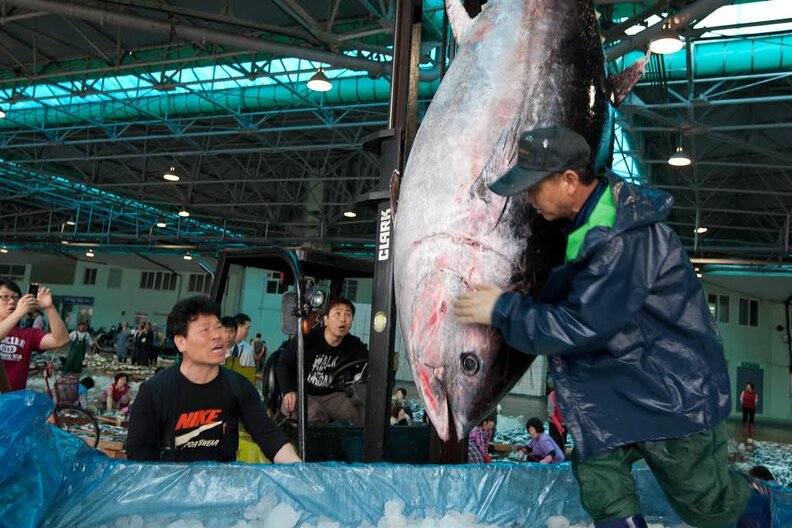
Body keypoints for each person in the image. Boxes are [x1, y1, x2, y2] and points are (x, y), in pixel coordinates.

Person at [452, 127, 765, 528]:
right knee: (603, 487)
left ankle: (760, 509)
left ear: (569, 181)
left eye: (534, 187)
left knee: (706, 502)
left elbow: (582, 323)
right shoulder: (579, 227)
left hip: (668, 394)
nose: (528, 198)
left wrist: (502, 309)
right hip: (609, 396)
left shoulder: (623, 237)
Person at [126, 295, 301, 463]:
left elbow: (268, 434)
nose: (218, 335)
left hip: (220, 489)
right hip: (170, 490)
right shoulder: (154, 392)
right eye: (205, 330)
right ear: (181, 342)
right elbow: (139, 459)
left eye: (218, 327)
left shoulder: (239, 387)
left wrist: (299, 469)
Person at [276, 297, 368, 426]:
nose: (343, 319)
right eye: (337, 313)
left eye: (348, 314)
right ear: (325, 319)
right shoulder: (307, 339)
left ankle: (358, 446)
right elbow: (283, 364)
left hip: (331, 396)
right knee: (316, 414)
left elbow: (368, 366)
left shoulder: (354, 345)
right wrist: (288, 391)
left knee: (357, 413)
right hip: (301, 393)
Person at [0, 281, 70, 392]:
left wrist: (49, 308)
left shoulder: (28, 334)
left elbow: (61, 340)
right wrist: (17, 314)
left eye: (16, 297)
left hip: (13, 404)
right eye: (5, 297)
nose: (12, 301)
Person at [547, 385, 567, 454]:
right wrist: (558, 425)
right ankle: (552, 455)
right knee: (554, 441)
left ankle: (562, 453)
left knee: (563, 441)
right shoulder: (552, 396)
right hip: (553, 423)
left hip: (563, 422)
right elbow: (551, 414)